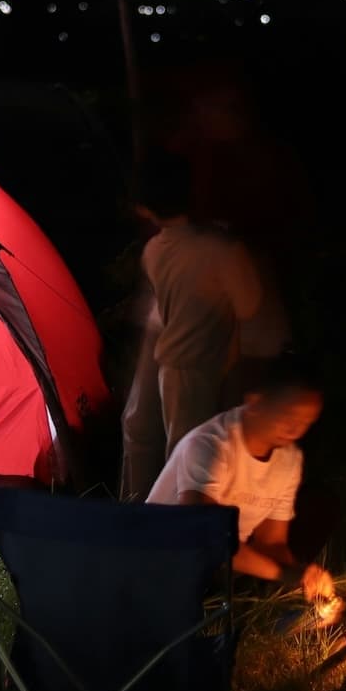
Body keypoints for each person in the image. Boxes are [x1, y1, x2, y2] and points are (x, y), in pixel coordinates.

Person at [123, 148, 263, 498]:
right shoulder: (223, 249)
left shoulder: (154, 250)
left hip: (173, 362)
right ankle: (177, 533)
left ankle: (146, 517)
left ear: (144, 207)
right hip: (197, 365)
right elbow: (249, 306)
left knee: (179, 448)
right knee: (188, 456)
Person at [147, 357, 333, 601]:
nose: (296, 430)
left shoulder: (289, 460)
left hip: (216, 570)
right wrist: (284, 574)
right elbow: (204, 534)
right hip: (159, 564)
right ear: (255, 402)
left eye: (306, 423)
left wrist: (305, 580)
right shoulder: (211, 445)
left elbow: (271, 543)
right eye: (289, 417)